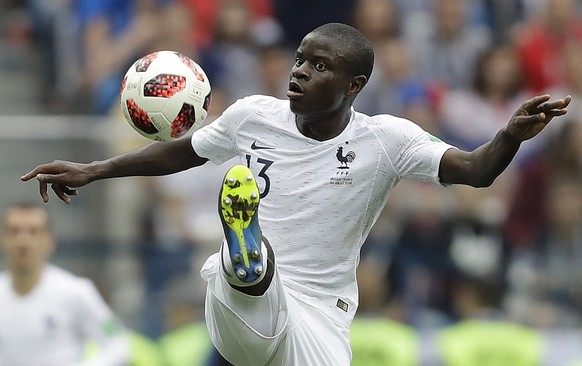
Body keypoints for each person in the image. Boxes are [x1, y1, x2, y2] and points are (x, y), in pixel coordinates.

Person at [21, 23, 571, 366]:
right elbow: (185, 151)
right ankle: (247, 254)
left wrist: (509, 136)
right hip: (241, 298)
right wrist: (95, 169)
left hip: (322, 315)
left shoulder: (386, 139)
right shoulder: (253, 115)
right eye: (301, 59)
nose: (301, 72)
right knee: (253, 286)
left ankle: (249, 256)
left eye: (320, 66)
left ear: (353, 86)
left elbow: (474, 171)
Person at [0, 202, 131, 365]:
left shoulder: (76, 292)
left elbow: (117, 345)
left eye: (33, 232)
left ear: (50, 241)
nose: (23, 241)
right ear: (2, 239)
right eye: (14, 231)